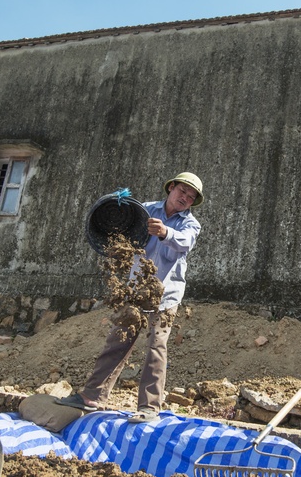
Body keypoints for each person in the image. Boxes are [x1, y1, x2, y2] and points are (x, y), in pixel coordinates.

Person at [57, 172, 203, 423]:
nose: (185, 198)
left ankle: (149, 408)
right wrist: (116, 204)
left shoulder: (190, 224)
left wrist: (165, 232)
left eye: (190, 197)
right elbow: (120, 223)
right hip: (135, 290)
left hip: (166, 294)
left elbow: (185, 242)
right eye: (182, 191)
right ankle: (92, 396)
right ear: (171, 188)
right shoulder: (145, 210)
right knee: (117, 341)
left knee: (157, 347)